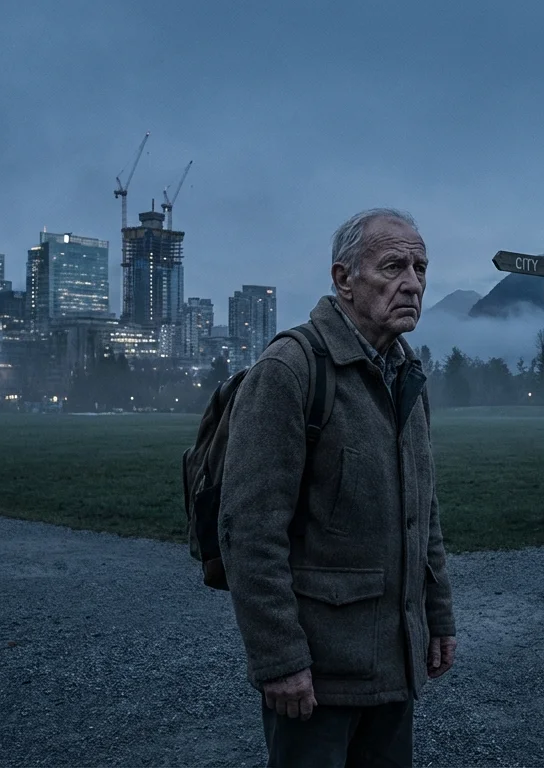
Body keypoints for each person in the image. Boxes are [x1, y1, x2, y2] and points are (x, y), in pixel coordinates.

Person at [218, 208, 457, 766]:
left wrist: (438, 616)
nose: (413, 284)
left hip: (394, 666)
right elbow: (249, 531)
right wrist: (279, 659)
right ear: (343, 278)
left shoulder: (408, 376)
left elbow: (425, 512)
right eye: (394, 266)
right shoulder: (290, 370)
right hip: (317, 679)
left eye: (421, 268)